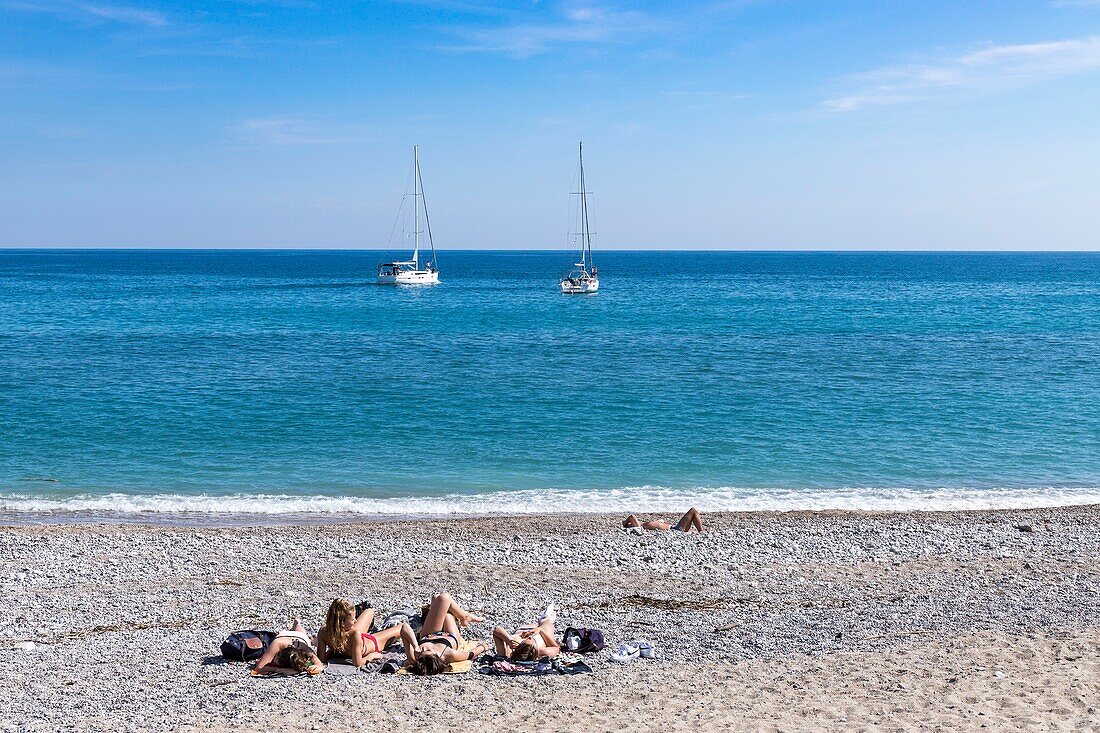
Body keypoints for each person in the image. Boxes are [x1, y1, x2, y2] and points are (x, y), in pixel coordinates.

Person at [403, 591, 489, 675]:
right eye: (428, 650)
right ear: (436, 656)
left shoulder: (414, 658)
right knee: (443, 599)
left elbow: (404, 627)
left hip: (428, 634)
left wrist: (415, 645)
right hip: (449, 634)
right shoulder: (449, 654)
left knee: (437, 598)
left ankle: (464, 617)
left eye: (421, 654)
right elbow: (469, 655)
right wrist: (483, 647)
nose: (423, 649)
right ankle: (464, 617)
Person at [316, 598, 406, 667]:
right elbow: (358, 663)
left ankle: (367, 611)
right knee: (401, 628)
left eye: (355, 618)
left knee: (370, 611)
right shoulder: (355, 634)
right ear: (342, 622)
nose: (355, 621)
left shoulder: (323, 632)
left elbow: (322, 658)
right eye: (352, 619)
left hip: (358, 639)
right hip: (372, 643)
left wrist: (333, 650)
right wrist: (372, 656)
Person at [250, 620, 323, 676]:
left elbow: (319, 666)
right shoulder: (278, 644)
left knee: (301, 631)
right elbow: (259, 668)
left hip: (302, 638)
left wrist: (282, 669)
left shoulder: (304, 648)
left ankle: (298, 625)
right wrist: (281, 669)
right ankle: (297, 623)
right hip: (287, 636)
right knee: (299, 630)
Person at [492, 604, 560, 661]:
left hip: (523, 629)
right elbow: (556, 648)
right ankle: (546, 618)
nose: (530, 637)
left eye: (525, 641)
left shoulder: (508, 652)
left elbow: (496, 630)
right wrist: (540, 630)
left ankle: (545, 618)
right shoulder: (541, 651)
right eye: (531, 640)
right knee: (547, 625)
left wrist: (509, 640)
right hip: (541, 634)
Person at [622, 507, 704, 533]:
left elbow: (661, 522)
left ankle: (701, 531)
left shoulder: (645, 525)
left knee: (694, 512)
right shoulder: (641, 527)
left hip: (676, 527)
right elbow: (632, 516)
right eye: (630, 524)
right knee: (693, 510)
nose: (631, 523)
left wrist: (659, 521)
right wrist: (625, 523)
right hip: (676, 529)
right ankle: (701, 532)